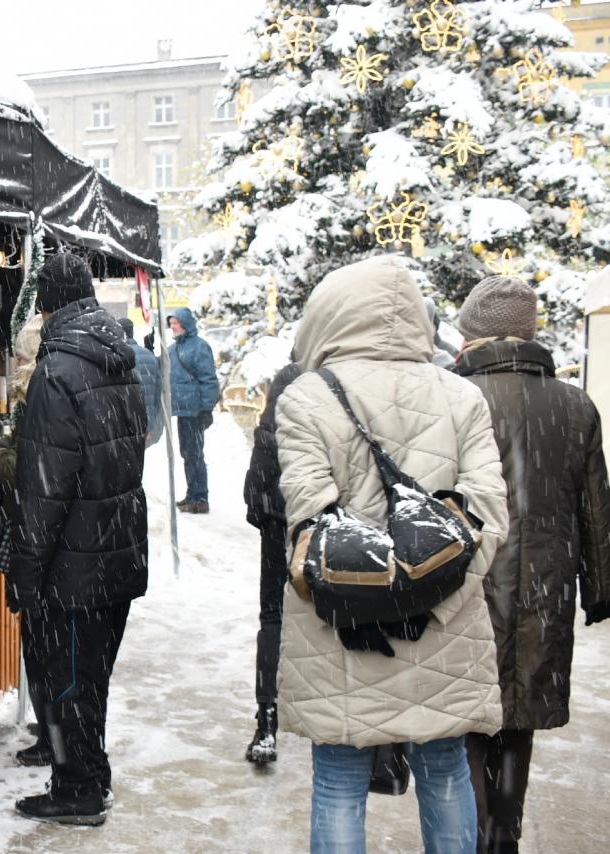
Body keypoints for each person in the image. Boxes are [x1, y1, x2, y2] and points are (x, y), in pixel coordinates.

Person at [275, 255, 507, 852]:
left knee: (338, 781)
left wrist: (364, 601)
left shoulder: (307, 398)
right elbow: (489, 516)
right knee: (446, 771)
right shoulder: (462, 397)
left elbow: (308, 522)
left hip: (341, 633)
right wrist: (431, 599)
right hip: (446, 631)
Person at [452, 275, 610, 854]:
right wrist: (600, 588)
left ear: (472, 335)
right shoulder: (573, 405)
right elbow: (595, 508)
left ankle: (471, 830)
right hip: (546, 583)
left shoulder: (455, 397)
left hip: (468, 577)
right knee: (518, 717)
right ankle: (503, 835)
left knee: (468, 712)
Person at [8, 253, 148, 826]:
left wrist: (26, 569)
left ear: (46, 304)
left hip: (75, 562)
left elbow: (45, 491)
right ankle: (91, 773)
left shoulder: (57, 370)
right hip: (116, 550)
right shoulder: (118, 358)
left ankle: (76, 788)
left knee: (66, 683)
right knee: (91, 679)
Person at [0, 313, 51, 766]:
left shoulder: (37, 394)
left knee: (43, 639)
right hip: (53, 538)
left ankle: (54, 738)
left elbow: (31, 471)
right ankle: (54, 732)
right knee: (48, 640)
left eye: (19, 354)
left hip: (38, 536)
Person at [240, 360, 301, 765]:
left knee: (274, 619)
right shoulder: (353, 376)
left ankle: (268, 720)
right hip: (339, 527)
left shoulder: (290, 379)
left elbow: (266, 444)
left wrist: (263, 510)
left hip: (282, 522)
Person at [166, 307, 219, 513]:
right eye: (171, 323)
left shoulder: (200, 347)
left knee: (195, 454)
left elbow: (209, 379)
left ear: (186, 324)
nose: (172, 326)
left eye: (176, 323)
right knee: (187, 453)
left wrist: (207, 408)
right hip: (182, 410)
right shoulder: (171, 349)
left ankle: (200, 498)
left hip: (195, 411)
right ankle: (191, 494)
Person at [118, 317, 164, 445]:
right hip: (145, 423)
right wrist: (151, 423)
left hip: (124, 423)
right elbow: (157, 394)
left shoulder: (117, 356)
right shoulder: (149, 356)